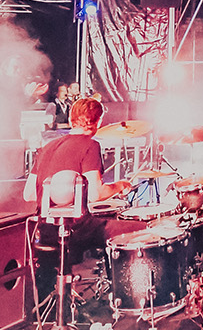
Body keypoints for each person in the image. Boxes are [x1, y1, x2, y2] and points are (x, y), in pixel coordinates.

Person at [25, 96, 129, 273]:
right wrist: (120, 186)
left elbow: (29, 194)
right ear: (98, 121)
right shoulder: (90, 145)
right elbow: (96, 194)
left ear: (71, 119)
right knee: (136, 230)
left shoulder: (48, 147)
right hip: (76, 229)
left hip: (44, 230)